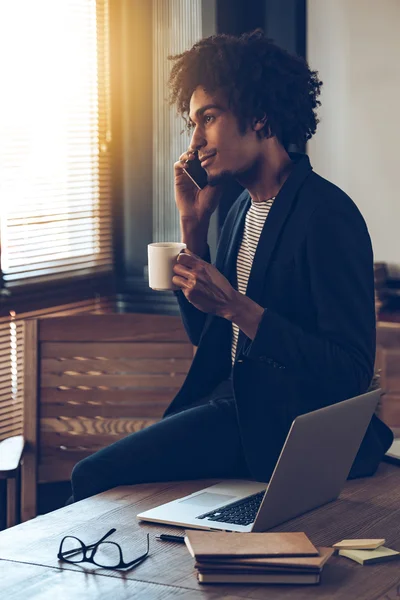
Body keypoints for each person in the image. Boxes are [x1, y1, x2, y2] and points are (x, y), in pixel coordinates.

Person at [70, 30, 393, 503]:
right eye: (193, 122)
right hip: (235, 409)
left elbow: (349, 370)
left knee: (92, 476)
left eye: (210, 118)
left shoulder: (327, 214)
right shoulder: (241, 208)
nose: (196, 139)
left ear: (260, 117)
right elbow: (209, 340)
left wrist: (240, 308)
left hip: (284, 426)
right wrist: (194, 227)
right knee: (106, 477)